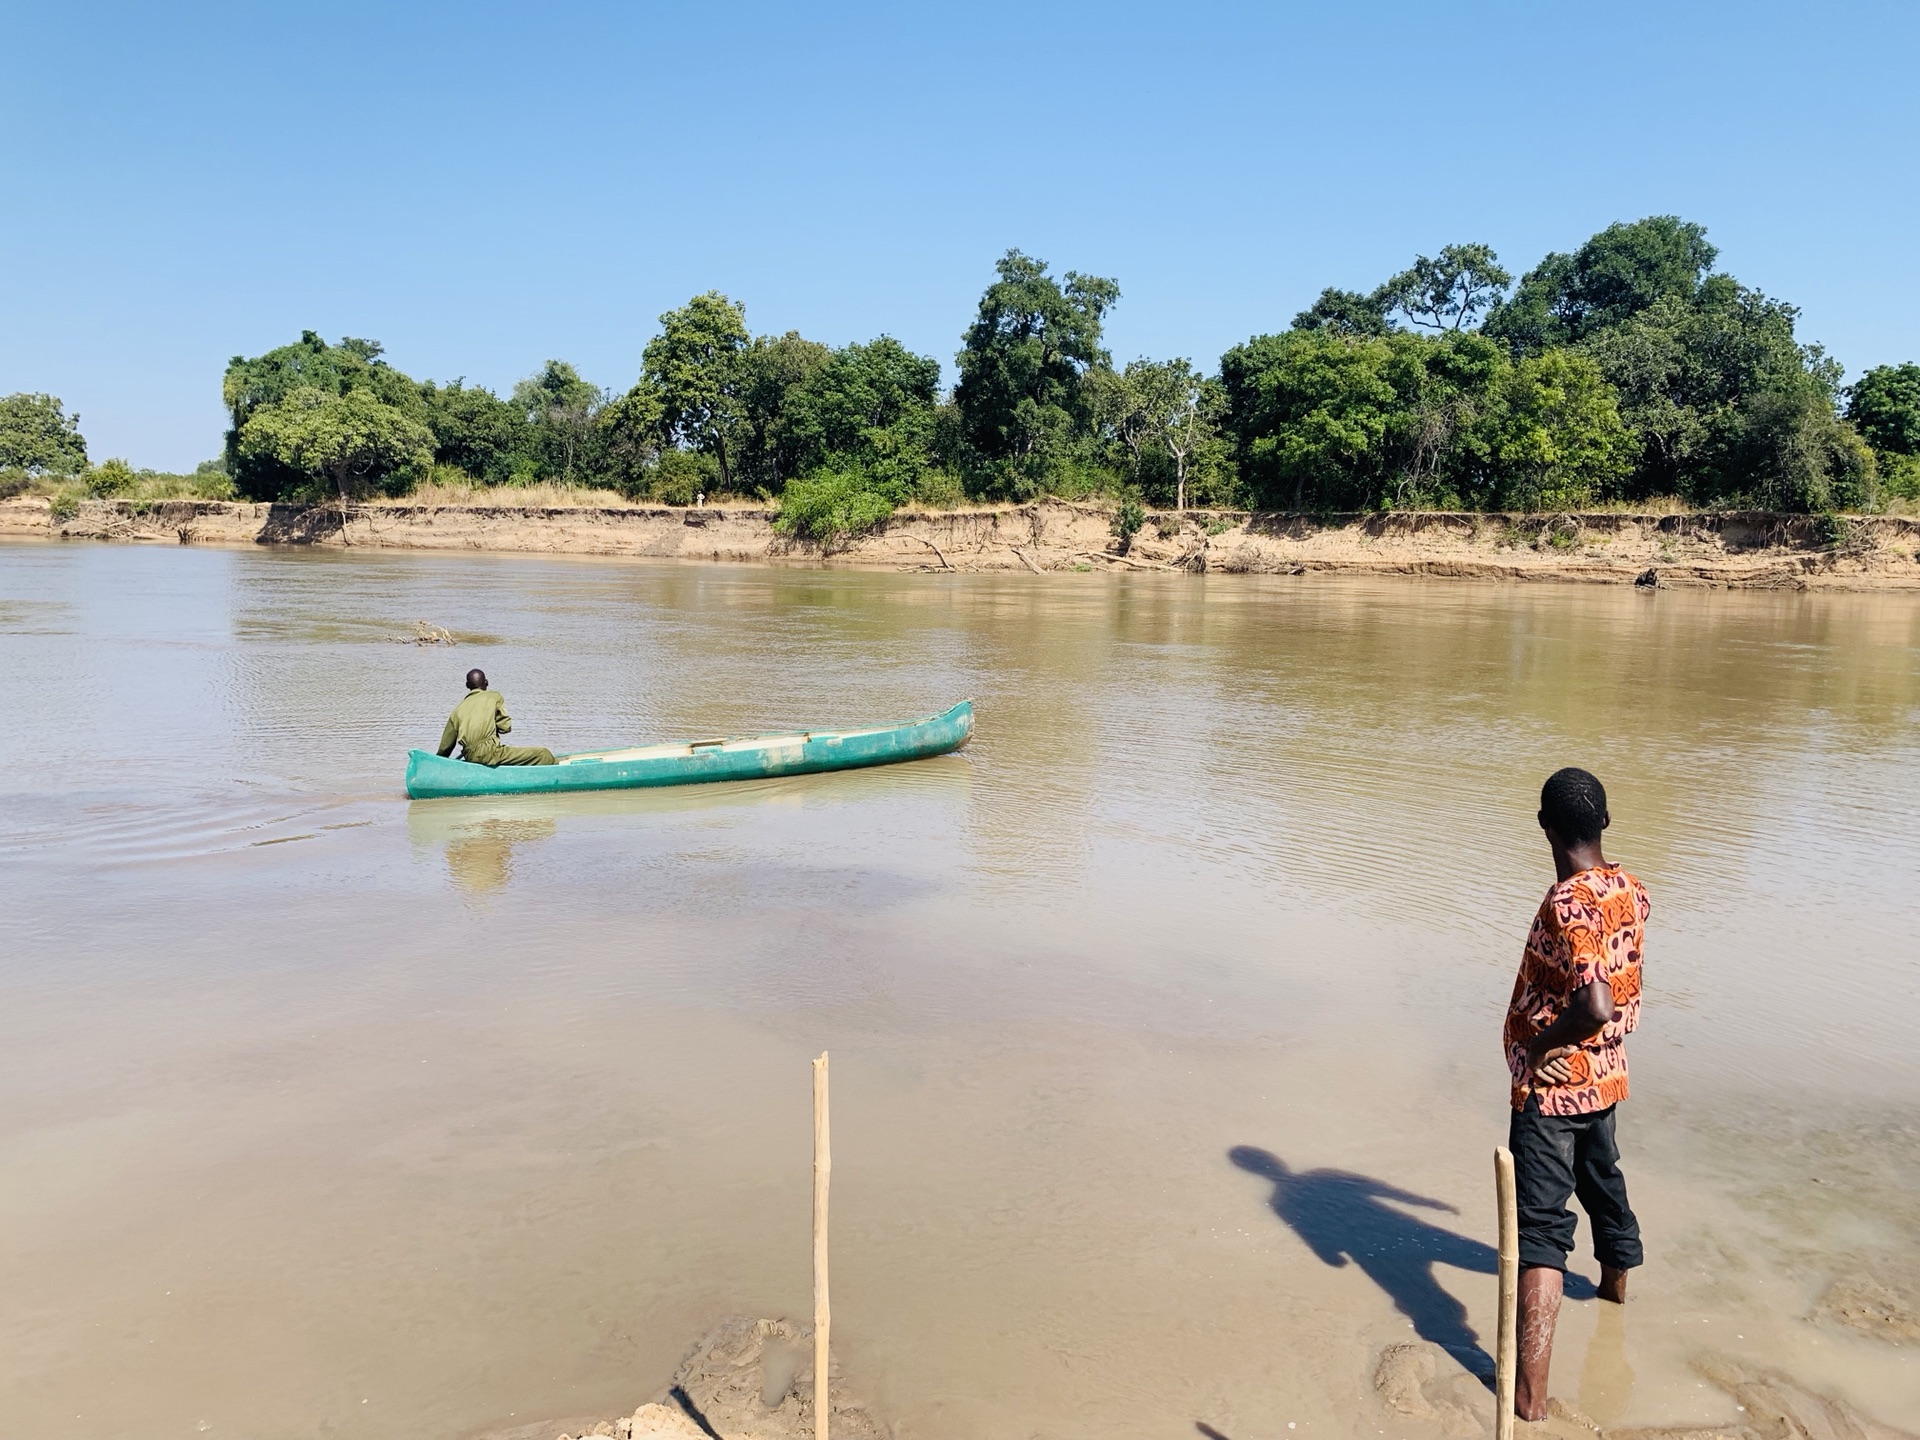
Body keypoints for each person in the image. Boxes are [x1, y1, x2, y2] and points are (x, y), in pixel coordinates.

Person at [1503, 767, 1648, 1421]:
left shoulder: (1568, 902)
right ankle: (1615, 1294)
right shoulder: (1631, 890)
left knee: (1539, 1237)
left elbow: (1593, 1001)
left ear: (1545, 827)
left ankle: (1528, 1402)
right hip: (1607, 1078)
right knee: (1602, 1186)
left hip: (1553, 1091)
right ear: (1605, 824)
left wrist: (1537, 1050)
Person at [436, 669, 556, 766]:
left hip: (470, 756)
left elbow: (445, 748)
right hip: (491, 753)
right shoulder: (495, 696)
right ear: (486, 683)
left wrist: (437, 764)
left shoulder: (457, 710)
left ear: (467, 685)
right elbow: (505, 727)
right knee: (543, 754)